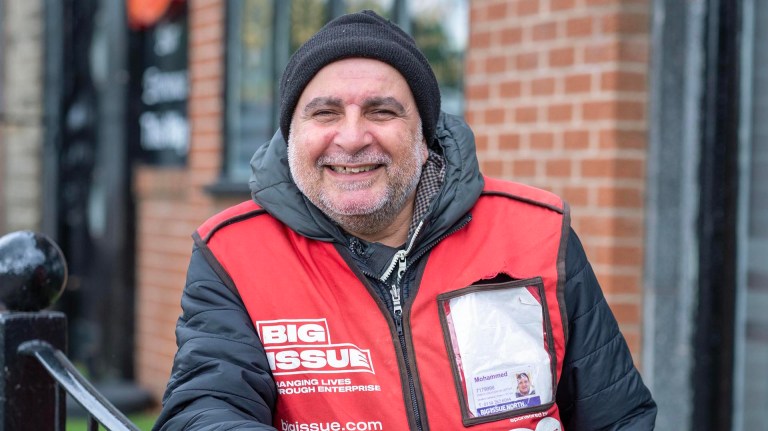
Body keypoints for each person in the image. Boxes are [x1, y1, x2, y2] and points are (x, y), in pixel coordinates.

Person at [153, 10, 656, 431]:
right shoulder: (234, 254)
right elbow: (206, 406)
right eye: (325, 113)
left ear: (424, 134)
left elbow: (618, 416)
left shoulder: (537, 233)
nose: (351, 138)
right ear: (291, 135)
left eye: (382, 111)